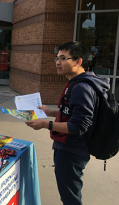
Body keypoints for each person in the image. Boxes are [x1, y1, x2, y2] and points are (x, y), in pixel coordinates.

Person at [25, 41, 110, 205]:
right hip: (69, 147)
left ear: (78, 61)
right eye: (57, 58)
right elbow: (75, 114)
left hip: (72, 150)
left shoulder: (82, 87)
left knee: (70, 198)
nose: (58, 62)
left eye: (63, 58)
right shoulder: (77, 83)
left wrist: (45, 124)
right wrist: (50, 113)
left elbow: (79, 126)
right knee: (69, 195)